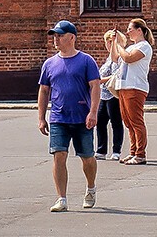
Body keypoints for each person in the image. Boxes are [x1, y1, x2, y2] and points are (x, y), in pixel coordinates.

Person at [38, 20, 101, 212]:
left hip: (83, 118)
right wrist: (41, 117)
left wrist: (93, 112)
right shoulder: (49, 64)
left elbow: (95, 86)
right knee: (59, 155)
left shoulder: (86, 61)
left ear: (71, 38)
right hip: (59, 118)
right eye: (54, 36)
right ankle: (61, 198)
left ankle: (90, 188)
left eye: (60, 35)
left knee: (87, 157)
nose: (56, 39)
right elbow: (44, 90)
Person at [108, 17, 153, 165]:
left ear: (139, 30)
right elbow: (115, 58)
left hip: (135, 87)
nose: (127, 32)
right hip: (124, 86)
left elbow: (128, 59)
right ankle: (133, 151)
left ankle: (140, 154)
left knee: (136, 121)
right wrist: (114, 42)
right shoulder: (129, 47)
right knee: (128, 122)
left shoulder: (144, 46)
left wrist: (120, 46)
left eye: (130, 29)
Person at [95, 32, 124, 160]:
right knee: (100, 122)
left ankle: (116, 150)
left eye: (110, 42)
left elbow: (116, 74)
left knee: (116, 122)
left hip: (113, 94)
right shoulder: (108, 59)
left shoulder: (119, 57)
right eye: (107, 42)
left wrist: (100, 80)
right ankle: (101, 150)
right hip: (103, 94)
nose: (108, 44)